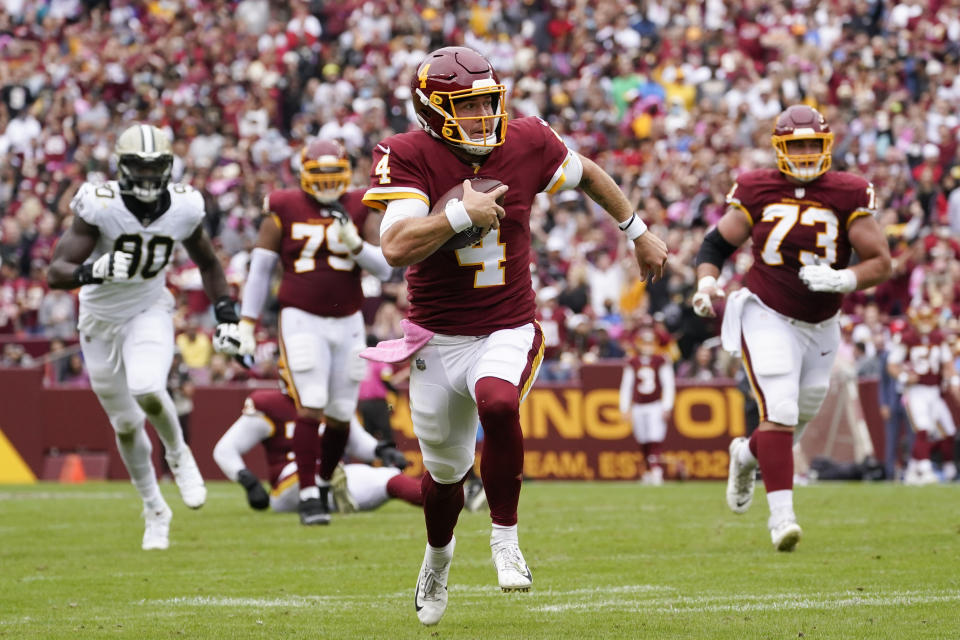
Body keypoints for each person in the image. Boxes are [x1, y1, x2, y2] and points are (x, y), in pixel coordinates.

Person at [360, 46, 667, 626]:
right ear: (432, 110)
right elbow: (396, 246)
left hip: (506, 323)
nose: (481, 117)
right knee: (445, 476)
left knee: (498, 401)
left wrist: (637, 230)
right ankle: (438, 557)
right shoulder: (406, 154)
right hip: (436, 337)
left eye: (486, 103)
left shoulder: (525, 141)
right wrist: (458, 215)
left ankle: (506, 538)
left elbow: (588, 174)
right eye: (466, 106)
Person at [691, 105, 892, 551]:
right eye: (795, 144)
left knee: (797, 415)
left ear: (826, 147)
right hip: (766, 310)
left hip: (821, 323)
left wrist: (845, 278)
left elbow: (882, 260)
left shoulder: (848, 191)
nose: (803, 153)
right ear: (780, 148)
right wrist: (707, 281)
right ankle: (782, 519)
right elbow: (716, 243)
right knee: (779, 406)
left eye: (811, 144)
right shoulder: (759, 186)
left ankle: (745, 456)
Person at [47, 123, 244, 550]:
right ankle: (155, 508)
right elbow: (55, 272)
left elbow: (209, 264)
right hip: (98, 320)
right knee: (126, 423)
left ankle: (178, 454)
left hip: (148, 308)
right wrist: (92, 271)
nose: (150, 176)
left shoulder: (185, 206)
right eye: (140, 166)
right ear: (122, 167)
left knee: (148, 387)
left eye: (157, 167)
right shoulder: (100, 205)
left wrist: (226, 314)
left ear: (169, 167)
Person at [236, 138, 394, 526]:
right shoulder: (284, 206)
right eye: (318, 173)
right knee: (311, 400)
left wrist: (355, 244)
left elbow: (386, 268)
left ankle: (323, 483)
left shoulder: (360, 204)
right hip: (301, 317)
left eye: (332, 173)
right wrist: (246, 322)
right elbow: (260, 270)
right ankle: (308, 495)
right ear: (304, 174)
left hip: (350, 320)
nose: (326, 181)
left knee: (340, 412)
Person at [212, 387, 423, 513]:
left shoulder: (335, 400)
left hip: (333, 473)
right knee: (315, 470)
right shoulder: (270, 404)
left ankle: (440, 499)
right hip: (290, 480)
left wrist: (381, 451)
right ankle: (320, 492)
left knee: (390, 477)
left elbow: (357, 442)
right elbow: (225, 449)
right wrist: (248, 482)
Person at [886, 304, 958, 484]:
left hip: (935, 391)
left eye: (928, 318)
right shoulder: (907, 339)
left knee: (948, 430)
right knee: (923, 428)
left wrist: (954, 382)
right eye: (922, 319)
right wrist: (904, 376)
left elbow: (948, 365)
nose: (925, 323)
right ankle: (925, 469)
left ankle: (935, 467)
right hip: (916, 391)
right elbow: (892, 365)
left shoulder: (938, 338)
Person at [619, 323, 675, 485]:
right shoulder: (632, 361)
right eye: (644, 342)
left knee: (655, 437)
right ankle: (648, 470)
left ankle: (656, 470)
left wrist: (667, 406)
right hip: (638, 405)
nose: (647, 346)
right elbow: (626, 386)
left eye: (650, 342)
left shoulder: (661, 360)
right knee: (643, 439)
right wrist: (624, 408)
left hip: (655, 404)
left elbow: (668, 384)